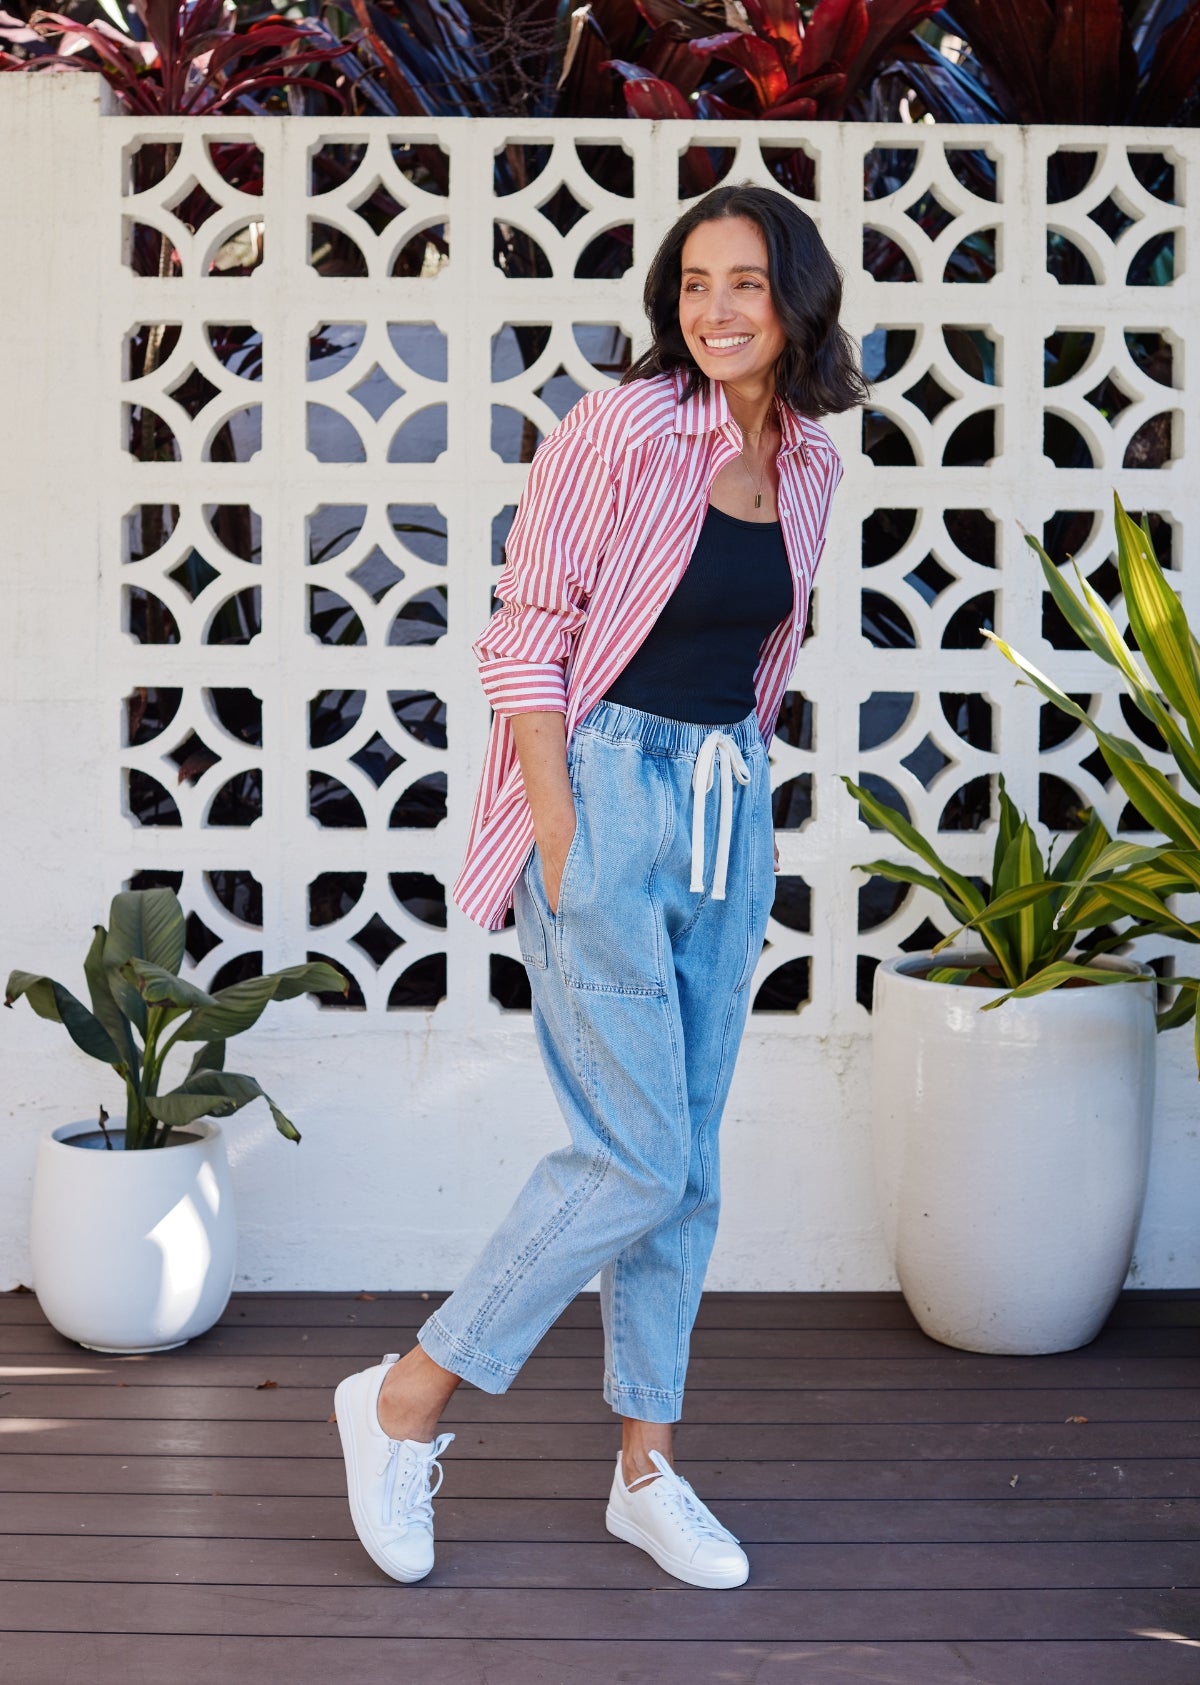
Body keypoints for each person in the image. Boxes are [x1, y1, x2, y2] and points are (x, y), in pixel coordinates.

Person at [334, 182, 865, 1591]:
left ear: (795, 297)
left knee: (685, 1169)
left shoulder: (808, 462)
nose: (715, 310)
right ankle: (405, 1396)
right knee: (635, 1154)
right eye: (693, 283)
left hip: (725, 806)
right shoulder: (618, 428)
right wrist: (559, 820)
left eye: (745, 282)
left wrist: (739, 794)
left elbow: (764, 656)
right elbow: (527, 630)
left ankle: (646, 1470)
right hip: (604, 794)